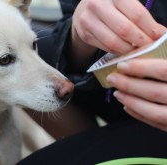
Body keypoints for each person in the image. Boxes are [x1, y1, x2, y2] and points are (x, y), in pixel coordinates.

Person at [17, 0, 167, 164]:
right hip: (113, 89)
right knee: (26, 53)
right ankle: (96, 142)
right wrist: (81, 35)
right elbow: (69, 22)